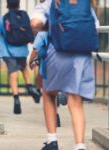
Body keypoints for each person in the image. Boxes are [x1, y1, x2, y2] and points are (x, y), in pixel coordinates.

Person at [31, 0, 99, 150]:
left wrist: (46, 27)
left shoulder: (50, 3)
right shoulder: (85, 4)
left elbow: (35, 23)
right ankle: (80, 145)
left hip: (58, 52)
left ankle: (52, 140)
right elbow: (95, 27)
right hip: (82, 55)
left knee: (49, 93)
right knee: (75, 101)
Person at [0, 0, 41, 115]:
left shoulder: (3, 19)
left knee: (12, 73)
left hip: (8, 52)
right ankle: (29, 86)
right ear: (18, 5)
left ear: (7, 5)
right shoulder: (23, 16)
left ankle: (16, 98)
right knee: (24, 68)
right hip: (22, 51)